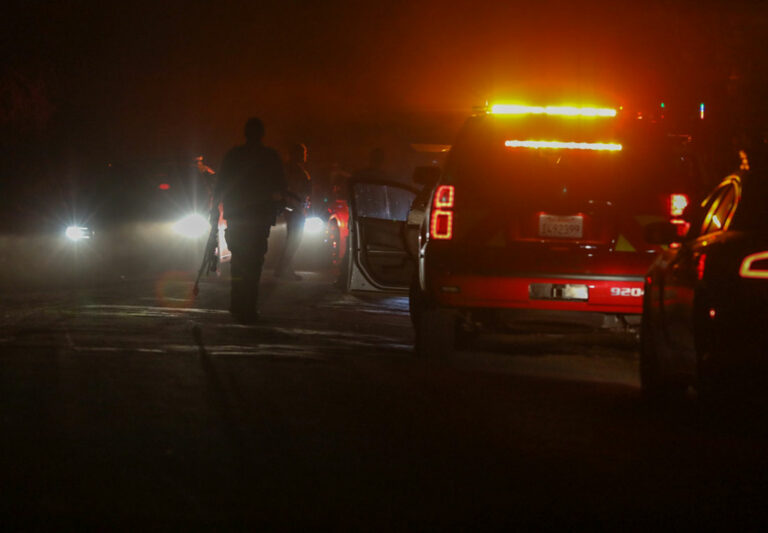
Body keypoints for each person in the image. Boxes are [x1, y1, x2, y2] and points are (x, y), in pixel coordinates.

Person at [214, 118, 286, 323]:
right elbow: (280, 186)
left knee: (239, 260)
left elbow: (221, 185)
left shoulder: (234, 156)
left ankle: (237, 303)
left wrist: (214, 211)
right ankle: (248, 306)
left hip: (238, 216)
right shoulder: (269, 157)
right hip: (258, 218)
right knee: (253, 262)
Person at [274, 143, 311, 280]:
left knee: (294, 239)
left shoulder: (294, 169)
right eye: (303, 153)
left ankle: (283, 268)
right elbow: (288, 189)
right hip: (292, 208)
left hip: (296, 208)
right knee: (294, 239)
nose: (305, 156)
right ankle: (283, 269)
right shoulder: (290, 170)